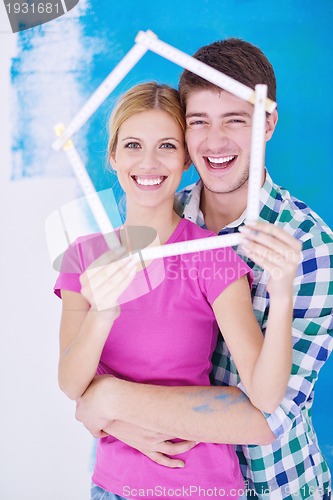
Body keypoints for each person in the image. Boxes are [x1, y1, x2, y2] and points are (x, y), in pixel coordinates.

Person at [75, 40, 333, 500]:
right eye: (198, 122)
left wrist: (107, 402)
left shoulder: (309, 245)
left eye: (235, 120)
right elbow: (104, 358)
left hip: (274, 484)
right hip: (160, 478)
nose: (215, 142)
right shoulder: (160, 215)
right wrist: (107, 413)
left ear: (268, 123)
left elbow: (265, 417)